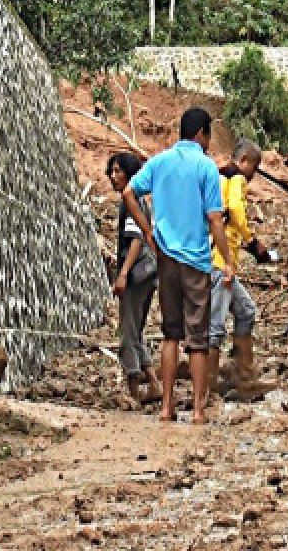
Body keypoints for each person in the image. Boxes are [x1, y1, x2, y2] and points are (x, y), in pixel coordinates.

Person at [123, 107, 235, 424]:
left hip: (166, 258)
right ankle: (198, 411)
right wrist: (227, 260)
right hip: (196, 260)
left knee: (171, 334)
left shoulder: (159, 162)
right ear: (201, 134)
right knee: (197, 338)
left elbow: (129, 192)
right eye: (209, 136)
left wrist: (148, 231)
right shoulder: (206, 168)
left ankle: (167, 407)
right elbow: (215, 218)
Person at [208, 139, 277, 402]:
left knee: (246, 310)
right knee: (216, 325)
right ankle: (209, 387)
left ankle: (242, 374)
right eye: (254, 168)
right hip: (220, 262)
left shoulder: (217, 177)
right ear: (245, 160)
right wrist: (252, 240)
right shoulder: (235, 178)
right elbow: (236, 210)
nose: (254, 174)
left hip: (219, 259)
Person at [107, 152, 163, 405]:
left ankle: (133, 388)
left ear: (130, 173)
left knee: (128, 331)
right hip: (150, 273)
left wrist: (122, 274)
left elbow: (136, 241)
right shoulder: (141, 200)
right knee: (137, 330)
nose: (112, 176)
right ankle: (153, 382)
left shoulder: (130, 201)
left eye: (118, 171)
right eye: (111, 171)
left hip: (136, 274)